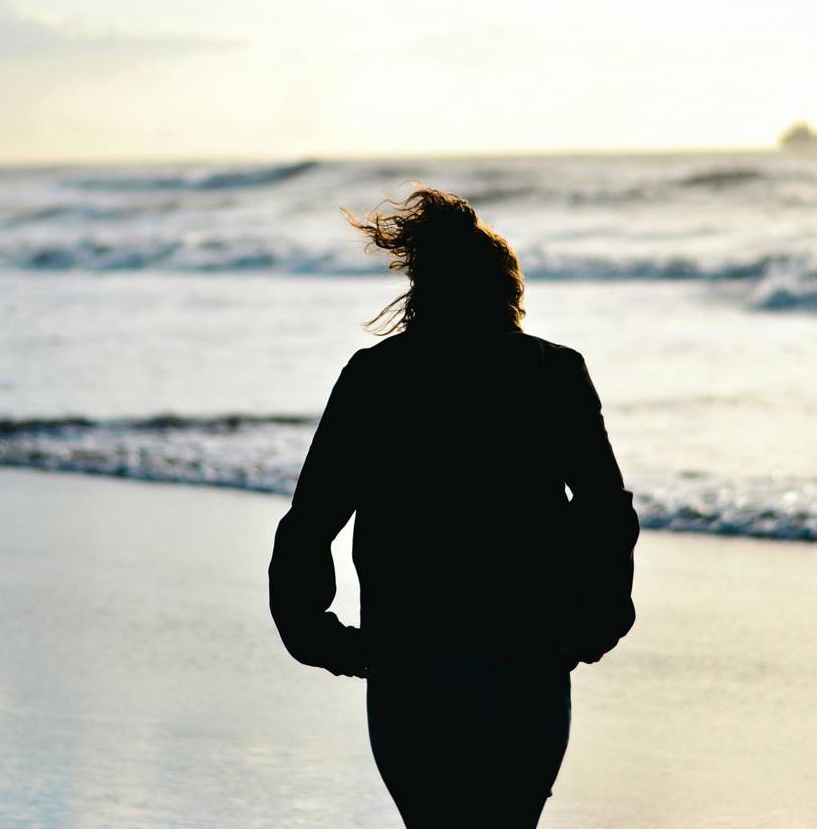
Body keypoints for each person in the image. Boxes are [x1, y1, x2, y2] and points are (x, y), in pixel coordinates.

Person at [268, 185, 639, 828]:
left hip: (406, 656)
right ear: (506, 287)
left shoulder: (375, 376)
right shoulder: (553, 371)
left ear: (421, 288)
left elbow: (311, 521)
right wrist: (595, 623)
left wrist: (319, 637)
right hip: (528, 654)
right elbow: (606, 512)